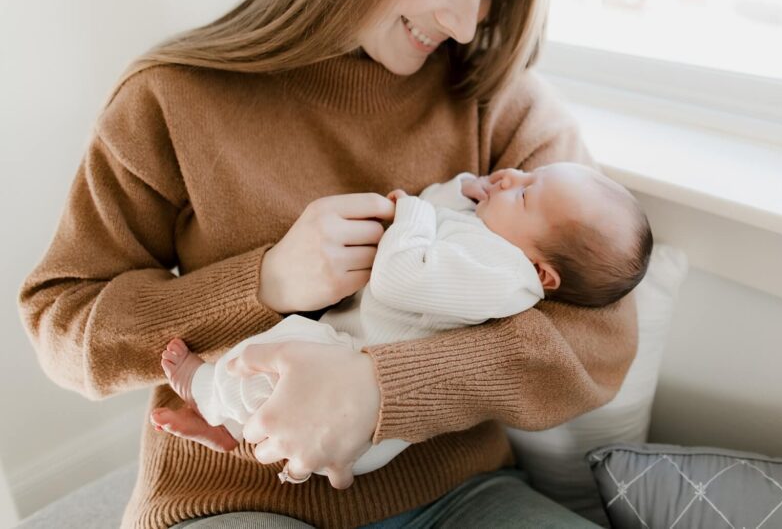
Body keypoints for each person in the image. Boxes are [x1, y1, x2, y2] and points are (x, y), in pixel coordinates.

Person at [18, 0, 639, 527]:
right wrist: (263, 284)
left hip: (459, 492)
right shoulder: (170, 100)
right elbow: (62, 320)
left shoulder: (500, 101)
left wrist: (381, 390)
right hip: (237, 493)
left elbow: (602, 332)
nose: (465, 23)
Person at [152, 163, 653, 479]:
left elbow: (399, 276)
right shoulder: (490, 236)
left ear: (543, 273)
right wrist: (461, 190)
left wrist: (409, 210)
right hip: (344, 377)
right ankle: (228, 427)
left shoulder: (505, 276)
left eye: (524, 194)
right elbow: (442, 218)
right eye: (528, 173)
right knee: (283, 368)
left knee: (285, 349)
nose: (510, 177)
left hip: (363, 416)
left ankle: (205, 386)